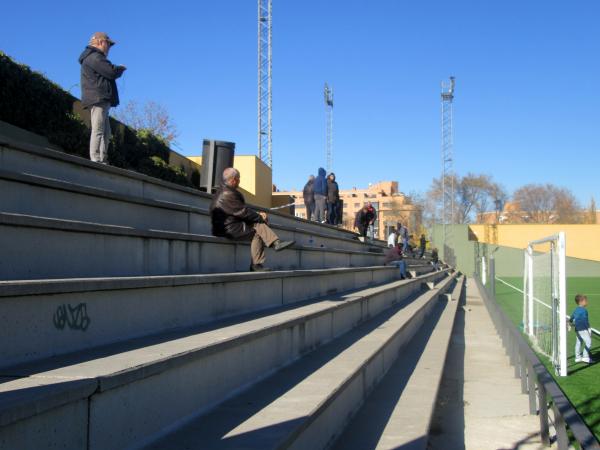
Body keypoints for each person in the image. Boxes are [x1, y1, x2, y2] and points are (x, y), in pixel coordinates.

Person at [210, 168, 295, 272]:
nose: (239, 181)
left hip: (227, 225)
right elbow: (243, 212)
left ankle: (275, 243)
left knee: (257, 224)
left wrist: (258, 216)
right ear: (233, 180)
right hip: (227, 228)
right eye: (238, 179)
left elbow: (240, 212)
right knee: (257, 231)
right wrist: (260, 217)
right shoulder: (228, 194)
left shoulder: (223, 192)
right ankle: (258, 262)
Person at [79, 32, 127, 164]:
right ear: (101, 42)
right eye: (108, 44)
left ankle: (101, 158)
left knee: (106, 131)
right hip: (98, 98)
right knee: (99, 129)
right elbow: (110, 71)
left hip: (100, 98)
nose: (109, 47)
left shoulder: (92, 57)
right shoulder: (95, 57)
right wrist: (120, 68)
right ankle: (95, 158)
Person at [569, 294, 593, 364]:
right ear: (581, 302)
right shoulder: (584, 311)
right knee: (589, 342)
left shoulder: (576, 309)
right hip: (583, 328)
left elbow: (572, 317)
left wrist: (570, 322)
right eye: (586, 301)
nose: (587, 302)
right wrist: (588, 329)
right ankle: (585, 356)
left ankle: (577, 357)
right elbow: (585, 320)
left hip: (577, 329)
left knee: (579, 342)